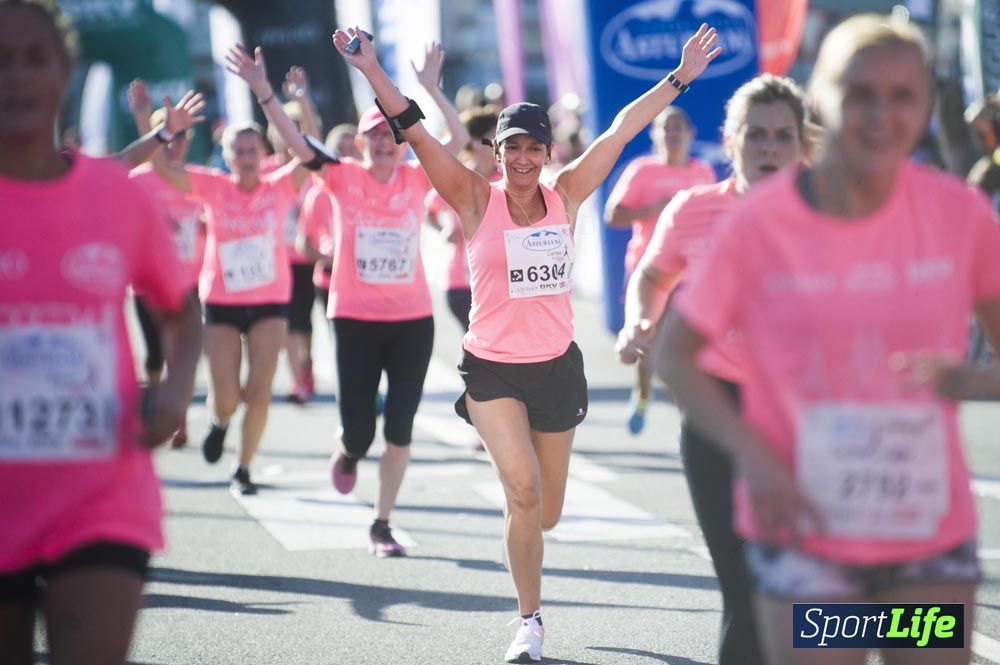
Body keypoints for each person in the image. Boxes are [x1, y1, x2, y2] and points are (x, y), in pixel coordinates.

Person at [326, 24, 720, 663]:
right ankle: (528, 623)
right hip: (492, 372)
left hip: (557, 370)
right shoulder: (474, 198)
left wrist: (679, 78)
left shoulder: (566, 194)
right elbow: (415, 128)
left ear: (545, 153)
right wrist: (372, 68)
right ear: (498, 152)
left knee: (549, 511)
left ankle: (529, 543)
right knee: (523, 491)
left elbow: (619, 130)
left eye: (534, 149)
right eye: (512, 149)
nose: (522, 160)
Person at [658, 14, 1000, 665]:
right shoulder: (760, 224)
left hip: (923, 533)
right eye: (861, 93)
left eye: (902, 95)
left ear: (926, 105)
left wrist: (966, 380)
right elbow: (677, 352)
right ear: (824, 100)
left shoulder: (961, 215)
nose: (881, 114)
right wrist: (752, 454)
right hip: (807, 533)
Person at [0, 2, 203, 663]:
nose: (18, 77)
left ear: (65, 69)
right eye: (2, 61)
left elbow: (179, 308)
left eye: (35, 59)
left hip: (99, 494)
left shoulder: (116, 197)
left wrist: (174, 390)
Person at [232, 40, 471, 557]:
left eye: (391, 133)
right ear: (360, 143)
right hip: (355, 318)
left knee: (401, 426)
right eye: (374, 135)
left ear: (402, 142)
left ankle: (382, 522)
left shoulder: (416, 177)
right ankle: (348, 451)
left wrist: (430, 88)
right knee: (361, 430)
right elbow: (298, 142)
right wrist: (264, 91)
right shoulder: (340, 178)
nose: (383, 141)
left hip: (412, 320)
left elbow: (458, 139)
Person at [617, 73, 810, 665]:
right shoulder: (692, 209)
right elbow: (652, 275)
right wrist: (639, 322)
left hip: (803, 415)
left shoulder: (832, 211)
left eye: (783, 136)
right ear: (730, 142)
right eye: (756, 135)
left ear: (801, 144)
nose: (770, 148)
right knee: (743, 588)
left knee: (802, 595)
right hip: (713, 407)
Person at [152, 49, 312, 496]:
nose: (244, 156)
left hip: (270, 302)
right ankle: (220, 421)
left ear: (263, 154)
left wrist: (294, 102)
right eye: (236, 150)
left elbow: (310, 149)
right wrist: (169, 131)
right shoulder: (212, 185)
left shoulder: (279, 186)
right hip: (222, 302)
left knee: (259, 391)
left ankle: (243, 467)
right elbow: (161, 167)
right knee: (228, 395)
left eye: (251, 149)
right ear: (225, 155)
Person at [605, 107, 715, 434]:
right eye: (666, 128)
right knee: (647, 337)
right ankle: (642, 393)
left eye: (679, 127)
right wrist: (652, 209)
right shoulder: (642, 171)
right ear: (655, 135)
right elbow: (613, 215)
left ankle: (688, 422)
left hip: (691, 273)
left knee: (684, 348)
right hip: (649, 270)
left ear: (691, 134)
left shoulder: (703, 173)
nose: (673, 133)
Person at [127, 80, 207, 448]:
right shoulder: (139, 180)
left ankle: (178, 417)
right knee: (156, 357)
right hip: (147, 284)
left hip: (188, 281)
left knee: (182, 352)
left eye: (183, 137)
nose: (177, 143)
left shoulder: (194, 180)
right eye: (171, 137)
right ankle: (155, 399)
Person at [425, 105, 501, 332]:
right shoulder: (457, 177)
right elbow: (429, 208)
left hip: (498, 280)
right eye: (494, 135)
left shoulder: (506, 179)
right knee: (479, 348)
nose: (501, 141)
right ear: (476, 141)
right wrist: (443, 230)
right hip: (461, 282)